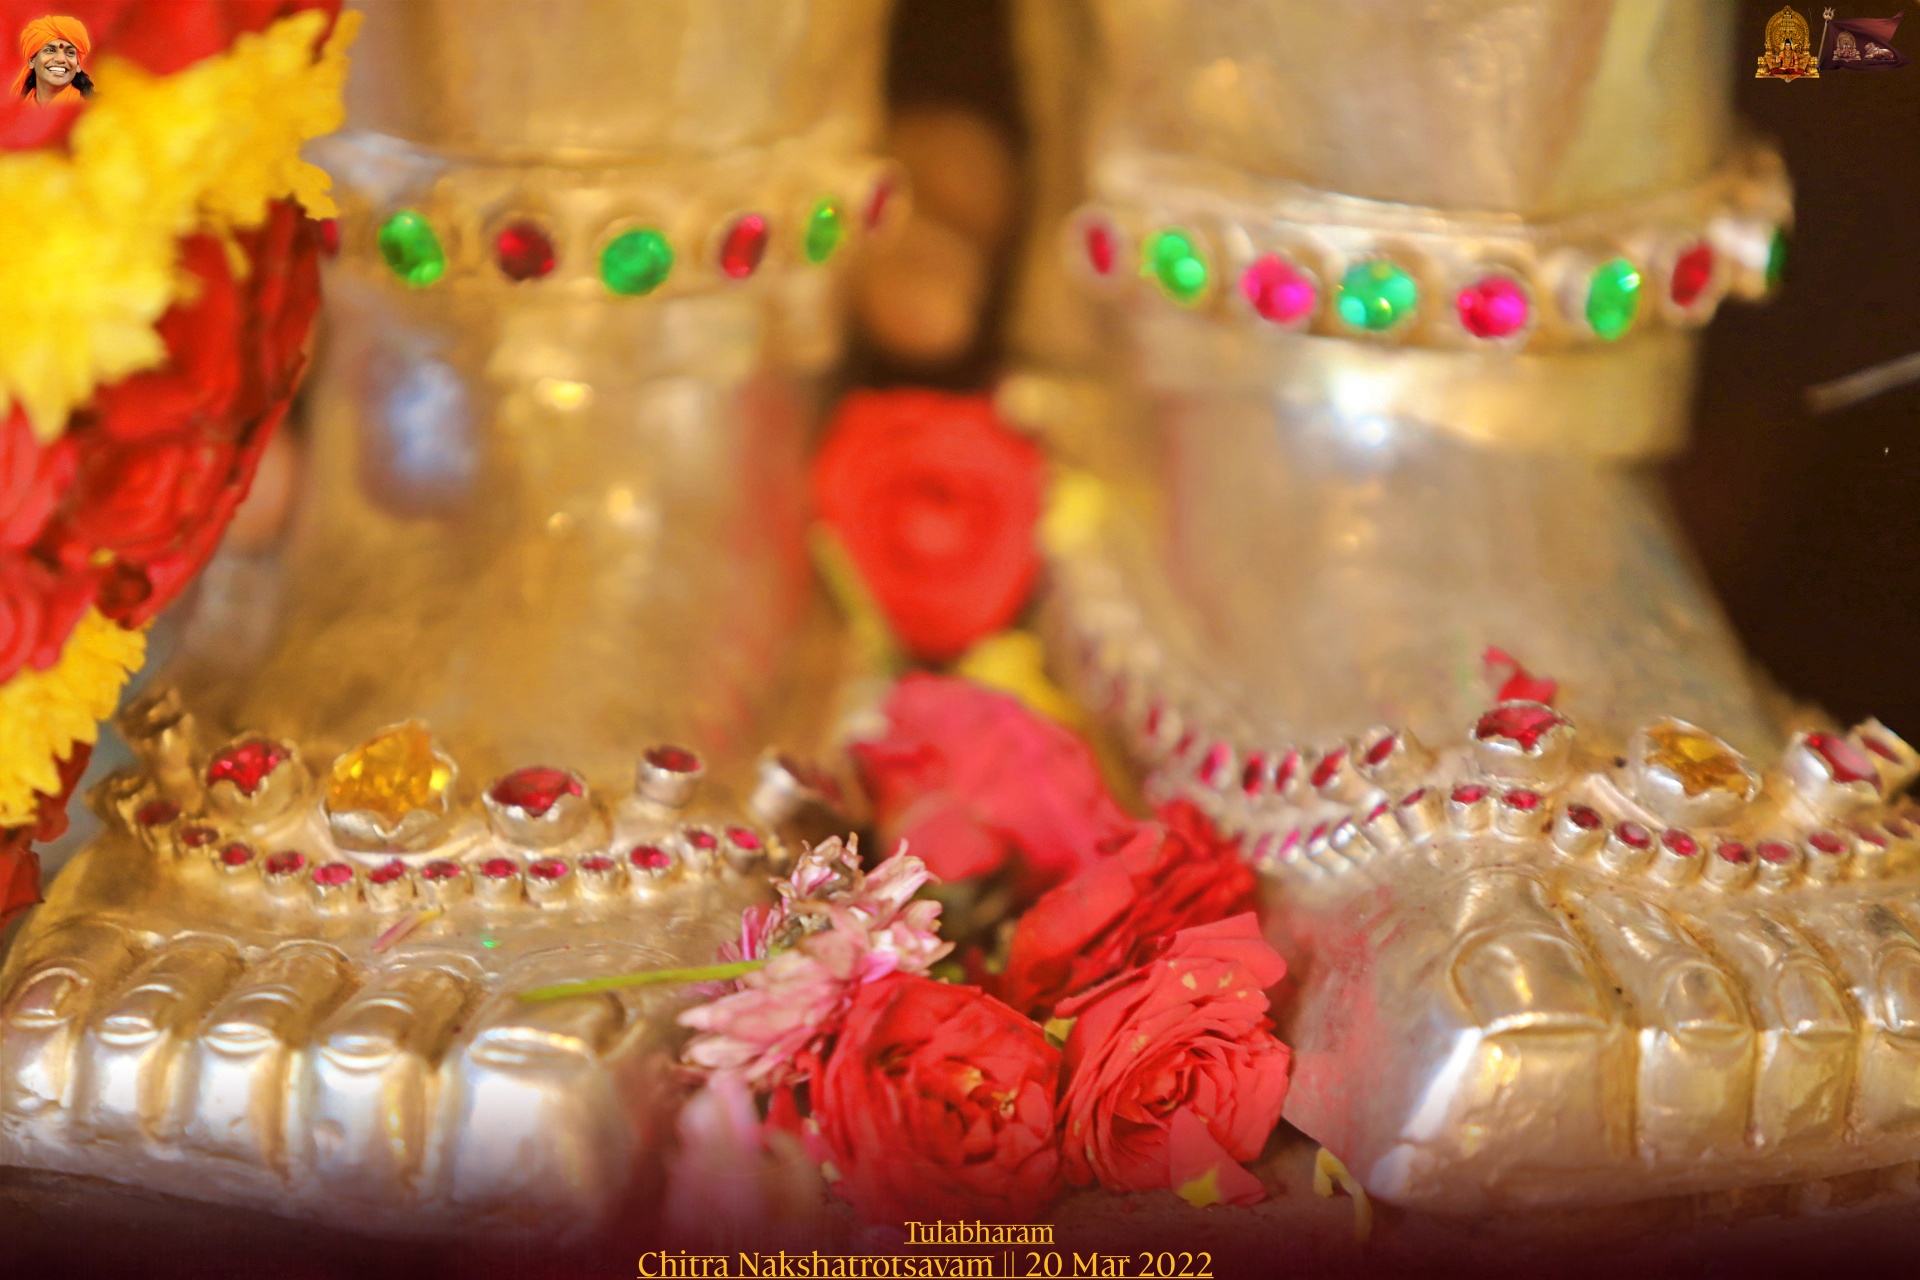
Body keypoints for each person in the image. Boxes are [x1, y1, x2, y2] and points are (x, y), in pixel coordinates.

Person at [12, 15, 91, 106]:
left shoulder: (90, 110)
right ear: (31, 61)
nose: (60, 59)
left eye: (70, 52)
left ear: (77, 65)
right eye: (50, 50)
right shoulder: (15, 107)